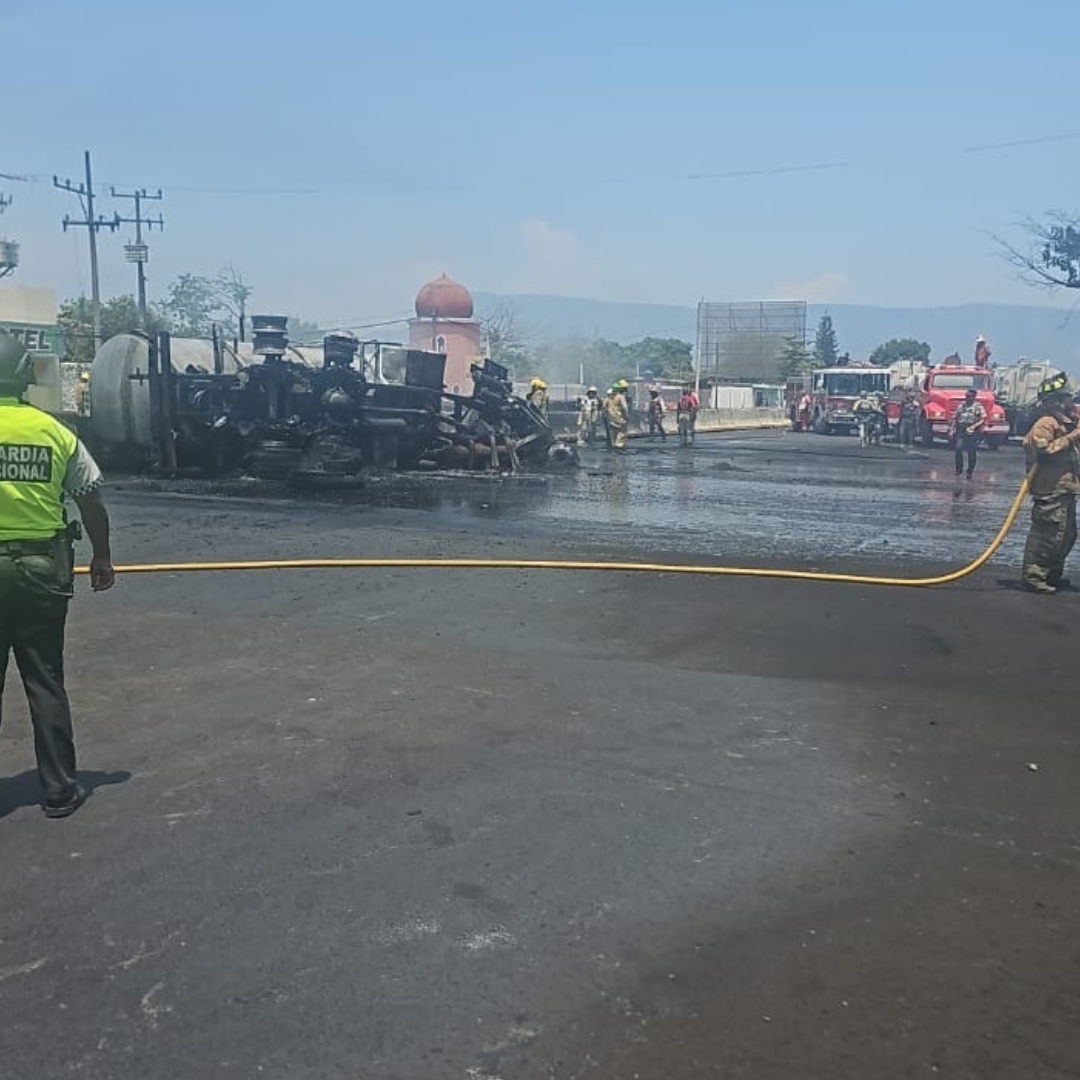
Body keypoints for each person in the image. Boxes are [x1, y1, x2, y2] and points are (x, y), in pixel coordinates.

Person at [0, 330, 114, 818]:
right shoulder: (55, 432)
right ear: (26, 376)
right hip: (41, 572)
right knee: (44, 680)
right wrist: (102, 557)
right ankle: (60, 789)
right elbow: (91, 498)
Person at [1021, 373, 1080, 594]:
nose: (1071, 403)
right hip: (1049, 490)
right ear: (1056, 401)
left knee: (1065, 536)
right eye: (1067, 398)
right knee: (1047, 536)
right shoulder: (1045, 423)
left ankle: (1052, 574)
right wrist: (1073, 435)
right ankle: (1034, 577)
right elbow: (1044, 451)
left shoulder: (1065, 423)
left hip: (1065, 489)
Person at [949, 387, 986, 479]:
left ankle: (970, 471)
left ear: (974, 397)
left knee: (972, 451)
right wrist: (952, 429)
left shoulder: (978, 406)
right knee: (958, 448)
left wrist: (975, 426)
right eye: (966, 396)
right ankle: (959, 469)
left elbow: (983, 419)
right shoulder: (961, 406)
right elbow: (955, 417)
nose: (967, 397)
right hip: (961, 429)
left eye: (969, 396)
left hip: (972, 429)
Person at [604, 380, 629, 452]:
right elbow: (624, 407)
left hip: (611, 418)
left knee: (614, 433)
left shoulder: (608, 397)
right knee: (622, 432)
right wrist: (626, 416)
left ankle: (614, 445)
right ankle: (619, 447)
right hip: (619, 417)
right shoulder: (620, 397)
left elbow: (604, 407)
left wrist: (605, 415)